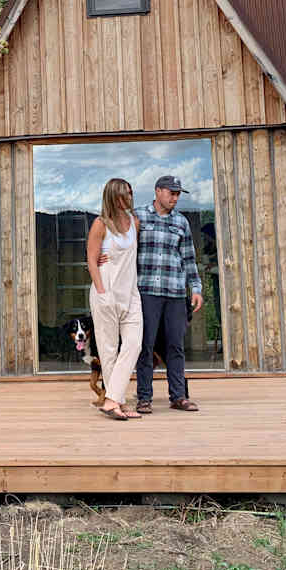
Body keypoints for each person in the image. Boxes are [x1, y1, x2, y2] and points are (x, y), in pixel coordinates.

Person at [134, 175, 203, 414]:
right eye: (171, 193)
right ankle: (144, 398)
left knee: (175, 345)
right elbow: (123, 249)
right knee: (145, 345)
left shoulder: (181, 222)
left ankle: (178, 397)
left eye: (177, 194)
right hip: (146, 292)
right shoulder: (138, 216)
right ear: (158, 191)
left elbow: (189, 258)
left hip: (175, 292)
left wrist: (196, 288)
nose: (175, 198)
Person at [86, 178, 144, 421]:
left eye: (130, 194)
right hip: (106, 293)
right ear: (112, 196)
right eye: (123, 194)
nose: (128, 198)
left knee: (133, 344)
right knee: (108, 351)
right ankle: (116, 402)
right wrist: (102, 291)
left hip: (130, 294)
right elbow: (91, 259)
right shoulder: (100, 224)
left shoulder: (134, 223)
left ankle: (111, 399)